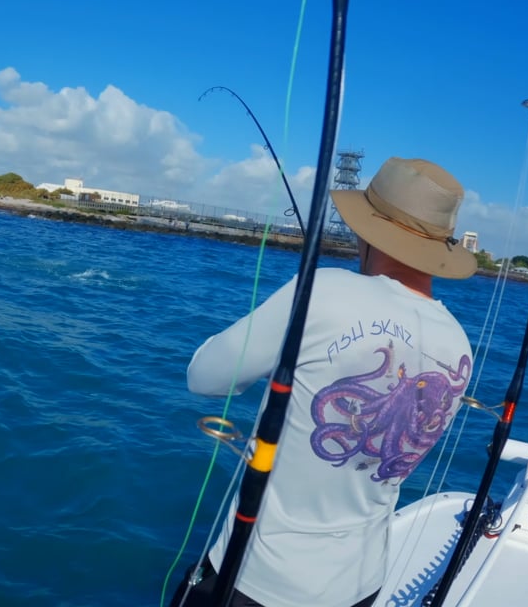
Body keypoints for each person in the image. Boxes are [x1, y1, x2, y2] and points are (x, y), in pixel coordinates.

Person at [172, 157, 478, 607]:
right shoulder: (459, 344)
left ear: (369, 229)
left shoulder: (324, 290)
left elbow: (205, 377)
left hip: (256, 581)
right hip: (360, 585)